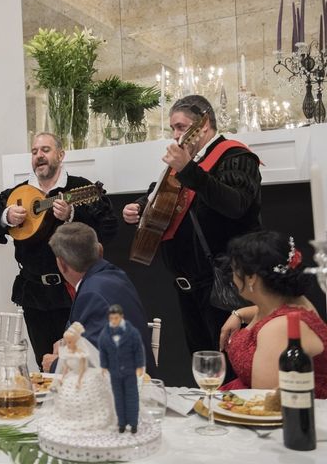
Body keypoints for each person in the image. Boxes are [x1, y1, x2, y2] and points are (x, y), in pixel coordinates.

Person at [122, 94, 262, 356]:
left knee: (232, 366)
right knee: (203, 365)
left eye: (181, 127)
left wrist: (188, 169)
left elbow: (236, 205)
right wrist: (139, 206)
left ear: (204, 124)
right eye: (173, 128)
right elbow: (160, 192)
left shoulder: (235, 156)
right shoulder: (187, 164)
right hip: (188, 287)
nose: (176, 136)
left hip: (225, 284)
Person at [0, 132, 118, 367]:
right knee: (45, 362)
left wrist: (73, 215)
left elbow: (109, 229)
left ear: (61, 155)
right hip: (34, 294)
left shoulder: (80, 188)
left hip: (74, 293)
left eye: (45, 150)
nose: (39, 156)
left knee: (78, 363)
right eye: (34, 152)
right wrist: (6, 216)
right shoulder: (18, 194)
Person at [218, 231, 327, 397]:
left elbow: (266, 403)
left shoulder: (278, 329)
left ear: (251, 278)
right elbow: (268, 313)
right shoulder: (287, 302)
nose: (232, 278)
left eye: (234, 270)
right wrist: (238, 314)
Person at [41, 222, 156, 377]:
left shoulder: (91, 294)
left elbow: (96, 368)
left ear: (61, 263)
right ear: (99, 250)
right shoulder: (116, 276)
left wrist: (55, 365)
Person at [99, 304, 145, 434]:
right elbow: (103, 351)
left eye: (116, 318)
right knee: (118, 398)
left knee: (132, 397)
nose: (114, 321)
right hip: (114, 371)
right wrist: (103, 366)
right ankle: (122, 423)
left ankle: (133, 423)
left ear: (122, 317)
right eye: (111, 318)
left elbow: (138, 350)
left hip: (130, 371)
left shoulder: (132, 332)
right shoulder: (105, 334)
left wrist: (139, 366)